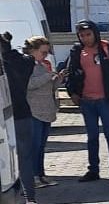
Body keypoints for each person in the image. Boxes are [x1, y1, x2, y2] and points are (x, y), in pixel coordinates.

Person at [65, 20, 109, 182]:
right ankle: (93, 170)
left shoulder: (107, 48)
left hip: (105, 99)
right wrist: (72, 93)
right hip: (86, 101)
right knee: (92, 137)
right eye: (82, 35)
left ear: (95, 33)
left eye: (88, 34)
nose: (85, 38)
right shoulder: (77, 51)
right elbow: (71, 73)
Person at [2, 32, 38, 203]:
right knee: (25, 159)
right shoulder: (26, 62)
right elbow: (28, 59)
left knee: (7, 162)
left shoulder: (4, 65)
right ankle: (29, 196)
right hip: (23, 114)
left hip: (6, 117)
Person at [24, 36, 64, 189]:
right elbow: (29, 85)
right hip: (34, 111)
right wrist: (48, 76)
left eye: (47, 52)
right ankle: (33, 176)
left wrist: (57, 79)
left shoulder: (41, 65)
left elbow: (49, 88)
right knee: (34, 145)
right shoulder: (26, 66)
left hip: (46, 110)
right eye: (43, 52)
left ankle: (40, 174)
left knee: (41, 146)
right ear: (33, 50)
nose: (45, 55)